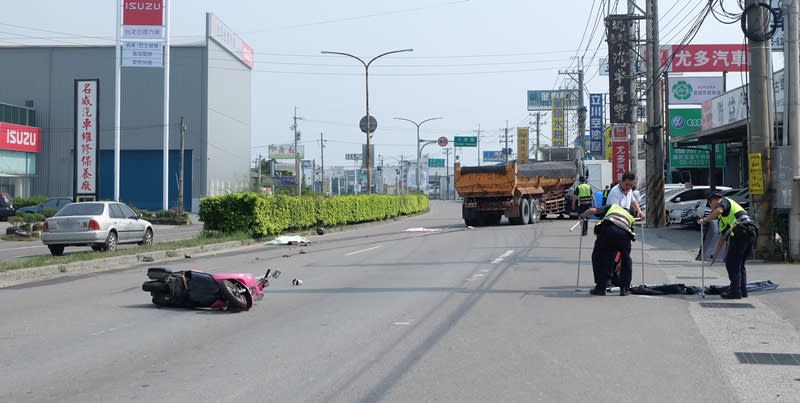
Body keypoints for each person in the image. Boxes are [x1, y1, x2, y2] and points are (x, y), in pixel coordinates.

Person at [698, 192, 758, 299]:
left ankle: (735, 292)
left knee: (732, 264)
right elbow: (722, 238)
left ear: (715, 200)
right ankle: (742, 290)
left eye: (710, 203)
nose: (710, 206)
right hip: (749, 233)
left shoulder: (724, 201)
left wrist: (705, 220)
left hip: (742, 232)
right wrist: (715, 255)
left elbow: (718, 210)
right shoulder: (723, 218)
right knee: (739, 264)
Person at [579, 203, 637, 296]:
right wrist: (620, 263)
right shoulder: (630, 217)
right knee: (627, 259)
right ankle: (625, 288)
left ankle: (601, 287)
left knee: (599, 256)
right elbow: (625, 251)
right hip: (624, 232)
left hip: (608, 229)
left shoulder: (612, 207)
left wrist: (582, 216)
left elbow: (592, 211)